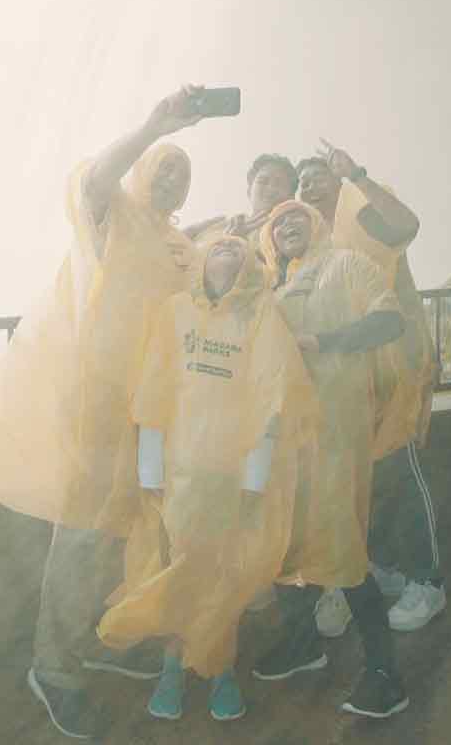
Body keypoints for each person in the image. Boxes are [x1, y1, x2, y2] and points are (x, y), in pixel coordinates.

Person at [0, 86, 219, 740]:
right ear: (144, 171)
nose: (170, 176)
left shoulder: (177, 246)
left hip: (151, 413)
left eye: (181, 174)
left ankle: (107, 642)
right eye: (164, 165)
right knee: (82, 527)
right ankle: (53, 668)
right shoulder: (113, 209)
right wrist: (154, 126)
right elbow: (100, 178)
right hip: (95, 400)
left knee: (130, 525)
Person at [96, 236, 317, 723]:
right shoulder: (174, 311)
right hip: (180, 473)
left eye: (239, 253)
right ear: (202, 261)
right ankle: (173, 667)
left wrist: (255, 479)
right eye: (219, 250)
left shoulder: (259, 317)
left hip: (232, 473)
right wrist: (150, 470)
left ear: (249, 269)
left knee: (226, 575)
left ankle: (220, 670)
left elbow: (271, 401)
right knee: (179, 571)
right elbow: (154, 389)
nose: (229, 257)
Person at [253, 199, 411, 720]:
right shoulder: (274, 289)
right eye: (277, 222)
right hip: (286, 440)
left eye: (298, 215)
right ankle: (304, 646)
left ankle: (385, 673)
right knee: (287, 540)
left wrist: (324, 342)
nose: (287, 224)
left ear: (317, 223)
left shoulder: (346, 263)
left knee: (343, 544)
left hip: (337, 434)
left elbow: (390, 320)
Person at [297, 144, 445, 636]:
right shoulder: (309, 245)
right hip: (348, 378)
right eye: (303, 181)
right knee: (360, 477)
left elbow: (405, 227)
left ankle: (429, 581)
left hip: (395, 362)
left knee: (400, 469)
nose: (310, 185)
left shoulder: (361, 219)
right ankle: (383, 569)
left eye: (319, 176)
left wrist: (356, 174)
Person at [182, 153, 299, 248]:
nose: (270, 188)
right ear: (249, 191)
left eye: (279, 183)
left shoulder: (295, 235)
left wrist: (233, 245)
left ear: (291, 196)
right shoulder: (216, 227)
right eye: (263, 181)